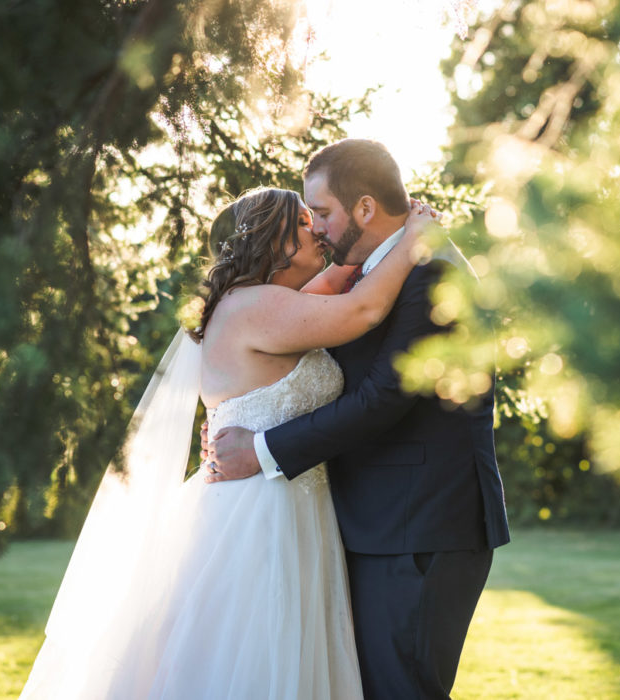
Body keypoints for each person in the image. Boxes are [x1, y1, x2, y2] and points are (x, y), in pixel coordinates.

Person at [20, 186, 437, 699]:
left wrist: (383, 233)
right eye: (303, 222)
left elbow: (340, 279)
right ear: (270, 237)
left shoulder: (267, 302)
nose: (316, 230)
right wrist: (414, 238)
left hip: (288, 503)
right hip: (259, 515)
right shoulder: (255, 306)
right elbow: (363, 311)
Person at [204, 139, 510, 700]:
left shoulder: (430, 271)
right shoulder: (369, 274)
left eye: (321, 213)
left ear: (365, 208)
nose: (316, 228)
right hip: (370, 523)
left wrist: (262, 448)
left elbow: (384, 397)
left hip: (418, 526)